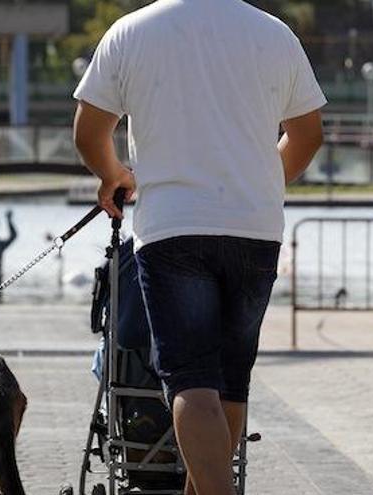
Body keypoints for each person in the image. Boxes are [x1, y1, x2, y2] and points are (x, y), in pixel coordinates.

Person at [72, 1, 325, 494]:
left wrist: (113, 175)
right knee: (232, 383)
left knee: (191, 381)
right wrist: (263, 184)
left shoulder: (131, 32)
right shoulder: (274, 33)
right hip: (256, 228)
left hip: (173, 228)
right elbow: (308, 135)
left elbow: (89, 131)